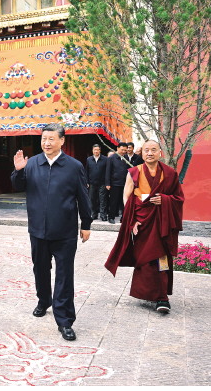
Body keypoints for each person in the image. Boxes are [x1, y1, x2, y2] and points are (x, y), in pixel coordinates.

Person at [11, 123, 92, 341]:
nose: (46, 143)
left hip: (65, 232)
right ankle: (43, 300)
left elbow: (83, 196)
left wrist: (86, 223)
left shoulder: (74, 166)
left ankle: (64, 320)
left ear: (62, 141)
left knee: (64, 275)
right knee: (40, 269)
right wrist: (18, 171)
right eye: (43, 139)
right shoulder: (32, 163)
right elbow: (18, 186)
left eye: (51, 139)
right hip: (38, 230)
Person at [104, 139, 184, 313]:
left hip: (162, 222)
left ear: (160, 152)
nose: (150, 153)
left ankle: (162, 297)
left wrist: (165, 200)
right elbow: (127, 197)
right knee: (145, 259)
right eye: (146, 150)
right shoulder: (134, 172)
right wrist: (131, 220)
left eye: (154, 150)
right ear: (142, 153)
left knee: (161, 258)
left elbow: (179, 198)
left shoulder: (170, 173)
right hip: (142, 223)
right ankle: (147, 292)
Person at [105, 142, 129, 224]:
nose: (123, 152)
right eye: (122, 150)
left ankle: (123, 218)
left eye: (125, 150)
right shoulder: (111, 158)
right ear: (117, 148)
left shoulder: (126, 157)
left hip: (125, 183)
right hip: (114, 183)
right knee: (113, 201)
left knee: (124, 201)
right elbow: (108, 171)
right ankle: (111, 217)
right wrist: (107, 183)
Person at [85, 144, 108, 221]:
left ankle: (103, 215)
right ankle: (93, 214)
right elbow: (86, 171)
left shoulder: (105, 159)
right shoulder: (89, 159)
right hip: (92, 183)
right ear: (92, 151)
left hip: (102, 183)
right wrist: (87, 181)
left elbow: (107, 171)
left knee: (103, 200)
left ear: (100, 150)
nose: (96, 151)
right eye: (95, 150)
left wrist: (107, 182)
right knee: (92, 199)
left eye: (97, 150)